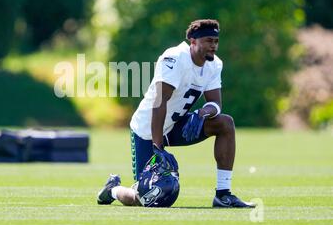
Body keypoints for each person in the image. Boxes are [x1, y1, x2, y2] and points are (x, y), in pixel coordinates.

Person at [97, 19, 255, 208]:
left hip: (176, 125)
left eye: (215, 41)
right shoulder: (174, 58)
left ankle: (223, 194)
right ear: (193, 41)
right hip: (148, 129)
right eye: (208, 41)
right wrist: (158, 146)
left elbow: (216, 104)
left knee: (225, 123)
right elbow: (159, 101)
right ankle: (113, 189)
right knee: (145, 198)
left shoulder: (214, 65)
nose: (213, 46)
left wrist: (203, 113)